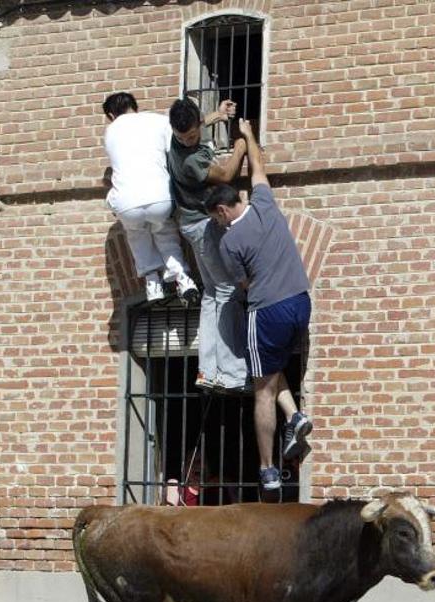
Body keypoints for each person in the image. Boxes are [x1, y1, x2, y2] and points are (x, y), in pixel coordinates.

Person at [204, 118, 312, 493]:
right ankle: (295, 416)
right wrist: (249, 136)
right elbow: (259, 170)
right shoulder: (265, 203)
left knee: (260, 387)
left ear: (220, 212)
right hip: (301, 303)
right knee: (273, 366)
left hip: (266, 310)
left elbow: (244, 284)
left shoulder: (229, 243)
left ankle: (267, 469)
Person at [166, 97, 249, 394]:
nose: (189, 141)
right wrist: (243, 143)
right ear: (174, 132)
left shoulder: (176, 138)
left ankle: (208, 370)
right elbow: (226, 175)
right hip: (203, 225)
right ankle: (232, 373)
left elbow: (200, 124)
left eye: (192, 135)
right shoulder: (191, 160)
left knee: (212, 294)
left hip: (190, 224)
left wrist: (217, 115)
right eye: (183, 137)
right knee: (227, 290)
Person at [101, 92, 200, 305]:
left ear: (111, 115)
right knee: (164, 230)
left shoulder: (110, 132)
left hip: (127, 204)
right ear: (135, 106)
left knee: (136, 232)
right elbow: (173, 150)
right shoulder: (160, 121)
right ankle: (183, 278)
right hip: (160, 198)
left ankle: (152, 281)